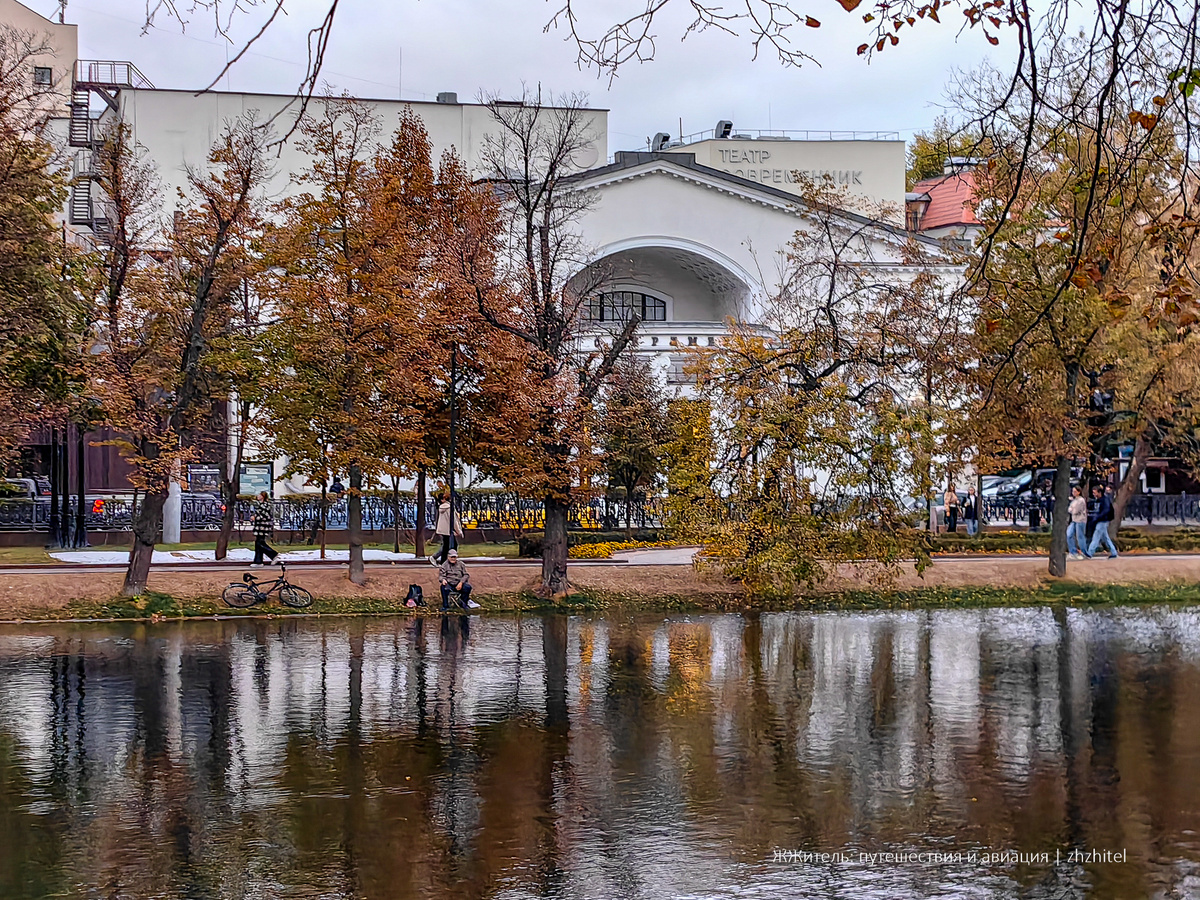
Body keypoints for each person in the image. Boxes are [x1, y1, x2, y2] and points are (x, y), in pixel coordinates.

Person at [1086, 484, 1119, 559]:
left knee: (1096, 536)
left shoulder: (1105, 500)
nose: (1094, 494)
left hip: (1103, 520)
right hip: (1100, 520)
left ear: (1099, 492)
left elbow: (1105, 511)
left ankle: (1090, 552)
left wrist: (1097, 517)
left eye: (1095, 493)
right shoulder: (1098, 500)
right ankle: (1114, 552)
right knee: (1105, 537)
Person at [430, 491, 463, 565]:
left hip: (444, 530)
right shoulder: (448, 508)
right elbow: (453, 520)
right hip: (448, 530)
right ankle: (444, 561)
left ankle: (443, 560)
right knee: (451, 545)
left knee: (447, 545)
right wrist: (458, 531)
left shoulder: (442, 508)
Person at [251, 490, 279, 565]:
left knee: (260, 543)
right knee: (258, 543)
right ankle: (258, 561)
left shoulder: (266, 505)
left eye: (259, 495)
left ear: (263, 496)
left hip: (263, 527)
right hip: (259, 527)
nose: (257, 496)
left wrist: (255, 517)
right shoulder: (259, 505)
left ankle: (273, 554)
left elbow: (265, 516)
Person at [1067, 485, 1090, 559]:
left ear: (1079, 492)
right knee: (1069, 534)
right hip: (1074, 520)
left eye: (1075, 491)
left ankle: (1084, 553)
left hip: (1080, 520)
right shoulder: (1074, 500)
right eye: (1073, 491)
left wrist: (1071, 509)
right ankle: (1073, 552)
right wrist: (1071, 509)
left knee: (1080, 537)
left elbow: (1075, 511)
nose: (1073, 493)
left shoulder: (1081, 500)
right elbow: (1069, 509)